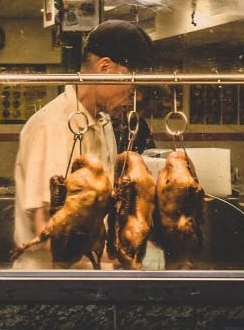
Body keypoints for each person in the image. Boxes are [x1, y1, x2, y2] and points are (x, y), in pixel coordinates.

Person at [12, 19, 154, 269]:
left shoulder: (103, 123)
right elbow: (50, 235)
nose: (136, 95)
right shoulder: (52, 126)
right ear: (105, 68)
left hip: (92, 275)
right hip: (52, 285)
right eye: (132, 83)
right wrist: (128, 258)